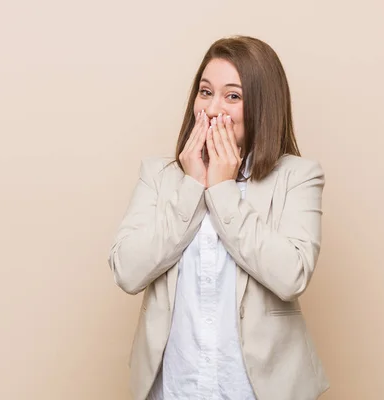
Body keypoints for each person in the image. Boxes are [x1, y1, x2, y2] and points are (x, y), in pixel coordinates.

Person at [108, 35, 329, 400]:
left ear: (262, 106)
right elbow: (127, 272)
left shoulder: (298, 176)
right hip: (176, 388)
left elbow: (291, 276)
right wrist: (193, 184)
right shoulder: (159, 176)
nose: (211, 110)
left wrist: (223, 190)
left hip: (257, 390)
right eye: (205, 92)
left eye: (233, 96)